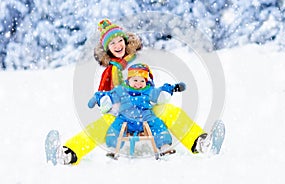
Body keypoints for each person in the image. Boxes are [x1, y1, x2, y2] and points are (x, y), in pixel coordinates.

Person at [58, 19, 210, 165]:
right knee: (100, 126)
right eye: (112, 43)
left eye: (119, 41)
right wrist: (111, 104)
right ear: (107, 48)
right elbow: (104, 96)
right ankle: (70, 153)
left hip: (146, 108)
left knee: (171, 111)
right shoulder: (110, 71)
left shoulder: (139, 59)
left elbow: (152, 82)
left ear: (125, 41)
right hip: (120, 113)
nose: (117, 45)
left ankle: (198, 142)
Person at [88, 63, 186, 156]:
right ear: (129, 80)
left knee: (157, 124)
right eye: (135, 80)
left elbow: (160, 91)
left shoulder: (149, 90)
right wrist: (97, 98)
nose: (138, 84)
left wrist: (173, 88)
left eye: (142, 81)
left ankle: (164, 146)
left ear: (146, 82)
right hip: (125, 118)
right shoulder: (121, 90)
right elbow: (109, 95)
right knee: (115, 127)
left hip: (146, 117)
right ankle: (113, 148)